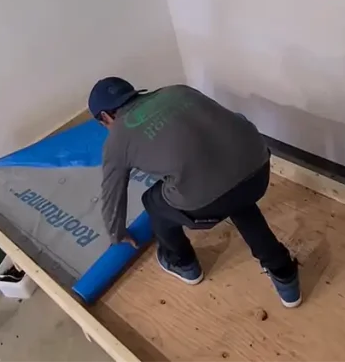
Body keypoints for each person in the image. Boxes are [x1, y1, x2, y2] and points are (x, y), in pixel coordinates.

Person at [89, 77, 302, 307]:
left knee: (153, 201)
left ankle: (182, 262)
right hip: (258, 169)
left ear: (105, 117)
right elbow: (231, 120)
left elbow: (112, 193)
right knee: (234, 193)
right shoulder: (177, 91)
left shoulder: (117, 140)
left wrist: (116, 232)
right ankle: (284, 273)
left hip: (209, 202)